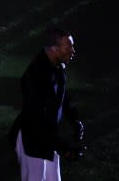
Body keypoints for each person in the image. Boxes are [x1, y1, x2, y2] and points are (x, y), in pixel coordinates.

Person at [9, 29, 85, 181]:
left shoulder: (58, 67)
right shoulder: (35, 76)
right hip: (32, 140)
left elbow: (63, 97)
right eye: (68, 47)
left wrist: (75, 121)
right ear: (54, 48)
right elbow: (37, 122)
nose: (72, 51)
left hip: (47, 137)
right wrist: (65, 150)